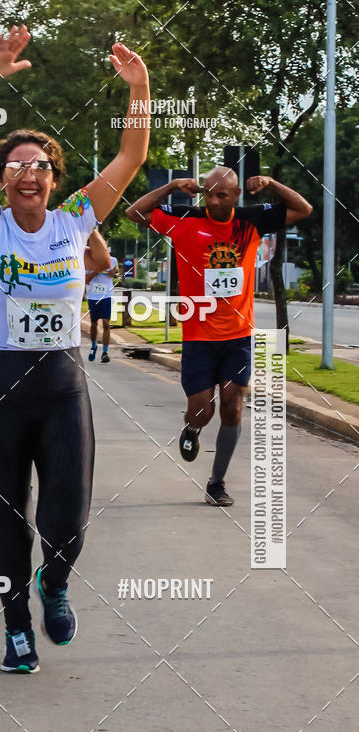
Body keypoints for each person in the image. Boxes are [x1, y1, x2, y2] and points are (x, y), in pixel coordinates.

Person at [0, 23, 150, 673]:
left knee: (67, 517)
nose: (27, 174)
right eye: (16, 166)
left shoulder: (75, 221)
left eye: (39, 166)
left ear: (53, 180)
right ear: (2, 179)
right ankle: (15, 632)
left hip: (60, 384)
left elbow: (131, 156)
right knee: (9, 528)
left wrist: (140, 88)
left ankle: (54, 582)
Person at [126, 167, 312, 505]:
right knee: (202, 409)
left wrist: (272, 183)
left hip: (238, 336)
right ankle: (193, 429)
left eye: (221, 195)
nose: (212, 200)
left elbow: (304, 209)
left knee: (232, 406)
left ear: (236, 195)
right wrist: (171, 187)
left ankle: (217, 483)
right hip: (198, 335)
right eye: (208, 193)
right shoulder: (186, 218)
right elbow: (134, 212)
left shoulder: (251, 221)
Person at [85, 231, 119, 363]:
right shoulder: (88, 261)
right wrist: (97, 270)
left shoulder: (113, 260)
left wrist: (114, 274)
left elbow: (117, 274)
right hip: (93, 296)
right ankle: (94, 345)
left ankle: (105, 352)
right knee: (94, 324)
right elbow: (86, 280)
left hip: (106, 295)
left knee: (106, 323)